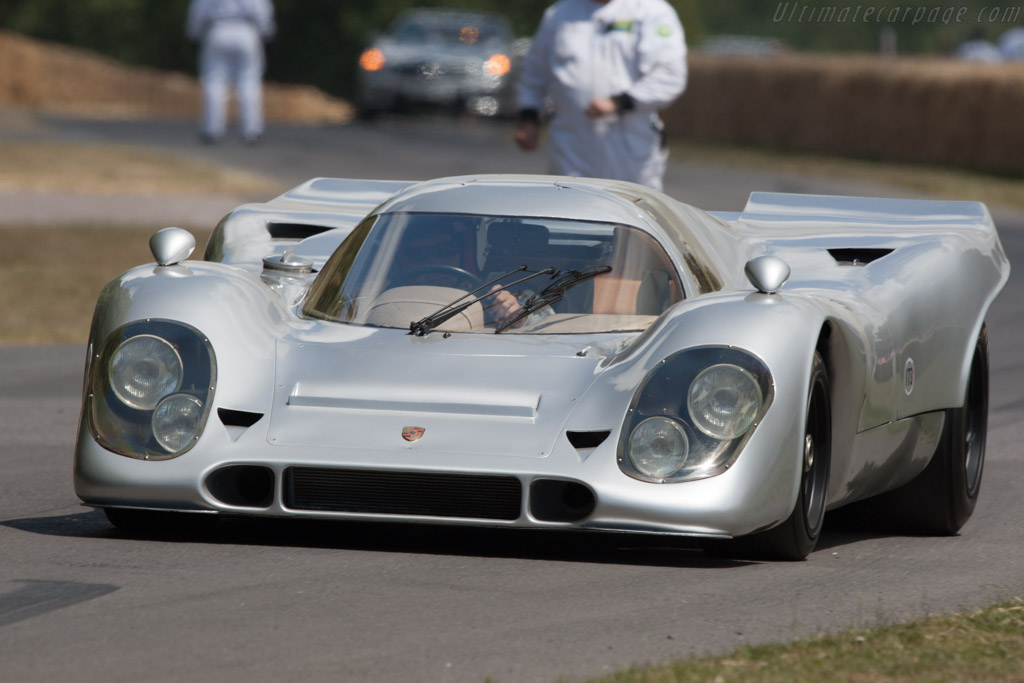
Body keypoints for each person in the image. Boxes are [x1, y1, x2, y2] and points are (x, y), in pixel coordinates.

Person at [514, 0, 687, 191]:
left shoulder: (651, 11)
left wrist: (619, 103)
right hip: (571, 146)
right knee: (569, 214)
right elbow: (534, 73)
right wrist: (528, 118)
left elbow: (669, 75)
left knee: (630, 213)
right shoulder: (559, 14)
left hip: (630, 147)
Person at [186, 0, 276, 144]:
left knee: (214, 82)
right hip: (247, 32)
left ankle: (212, 130)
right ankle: (252, 130)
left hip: (217, 30)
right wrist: (266, 33)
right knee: (249, 82)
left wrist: (194, 33)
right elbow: (262, 12)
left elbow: (198, 13)